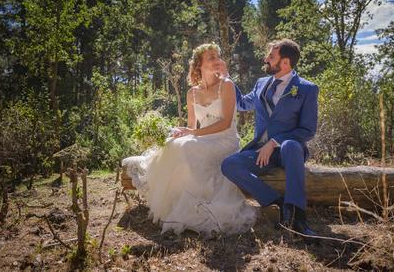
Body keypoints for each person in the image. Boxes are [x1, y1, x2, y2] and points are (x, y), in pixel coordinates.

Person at [122, 43, 256, 236]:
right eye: (211, 57)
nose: (217, 60)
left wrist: (192, 134)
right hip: (203, 140)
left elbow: (226, 123)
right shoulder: (192, 93)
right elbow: (192, 126)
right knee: (173, 143)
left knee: (186, 148)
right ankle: (174, 202)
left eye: (217, 56)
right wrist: (181, 131)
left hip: (224, 141)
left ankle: (197, 204)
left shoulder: (227, 85)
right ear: (199, 64)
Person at [221, 38, 319, 237]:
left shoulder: (307, 89)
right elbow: (240, 104)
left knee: (291, 145)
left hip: (288, 153)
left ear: (285, 63)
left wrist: (274, 142)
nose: (266, 59)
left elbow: (308, 130)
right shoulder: (261, 83)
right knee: (228, 165)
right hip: (260, 152)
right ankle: (278, 203)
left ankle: (298, 216)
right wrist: (227, 78)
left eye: (271, 57)